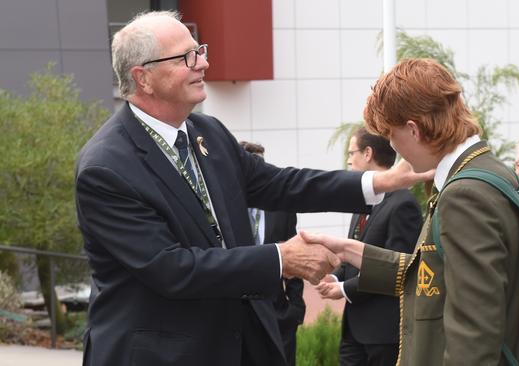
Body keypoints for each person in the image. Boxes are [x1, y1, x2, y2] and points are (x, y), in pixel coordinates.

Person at [74, 11, 432, 366]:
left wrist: (377, 182)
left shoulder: (207, 131)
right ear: (144, 78)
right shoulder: (106, 168)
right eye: (187, 56)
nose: (204, 62)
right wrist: (281, 258)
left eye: (200, 49)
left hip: (237, 344)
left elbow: (278, 184)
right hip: (159, 355)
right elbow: (173, 268)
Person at [303, 58, 519, 365]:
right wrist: (353, 250)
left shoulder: (465, 195)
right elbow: (436, 273)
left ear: (413, 129)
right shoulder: (487, 172)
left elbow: (476, 334)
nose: (395, 150)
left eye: (391, 136)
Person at [316, 127, 422, 366]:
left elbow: (397, 269)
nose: (348, 160)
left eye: (351, 152)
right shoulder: (363, 202)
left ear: (368, 154)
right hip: (354, 329)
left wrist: (344, 289)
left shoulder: (403, 205)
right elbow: (351, 254)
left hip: (383, 333)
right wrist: (334, 278)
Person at [240, 141, 304, 366]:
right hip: (238, 315)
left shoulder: (282, 206)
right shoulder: (226, 209)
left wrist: (295, 308)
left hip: (279, 314)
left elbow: (295, 251)